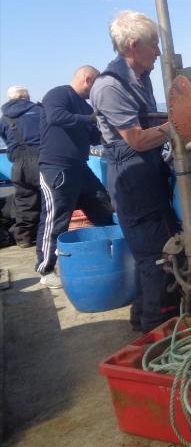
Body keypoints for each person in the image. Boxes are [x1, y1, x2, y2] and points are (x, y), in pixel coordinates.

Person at [90, 10, 179, 332]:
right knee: (153, 259)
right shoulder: (110, 86)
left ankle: (145, 318)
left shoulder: (142, 77)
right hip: (131, 175)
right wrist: (180, 123)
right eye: (153, 44)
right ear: (132, 44)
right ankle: (154, 333)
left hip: (150, 172)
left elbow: (151, 124)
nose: (158, 51)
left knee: (161, 251)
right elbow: (138, 140)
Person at [36, 66, 114, 288]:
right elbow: (55, 116)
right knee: (56, 219)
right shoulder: (58, 94)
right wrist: (92, 119)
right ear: (88, 79)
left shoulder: (84, 106)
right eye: (96, 84)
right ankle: (46, 268)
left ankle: (108, 252)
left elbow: (92, 137)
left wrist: (110, 129)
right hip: (56, 168)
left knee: (104, 206)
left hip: (81, 168)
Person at [0, 86, 42, 247]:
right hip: (42, 161)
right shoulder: (39, 111)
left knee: (25, 201)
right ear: (27, 97)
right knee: (49, 199)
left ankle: (23, 238)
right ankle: (49, 235)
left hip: (19, 165)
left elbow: (6, 139)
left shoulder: (4, 119)